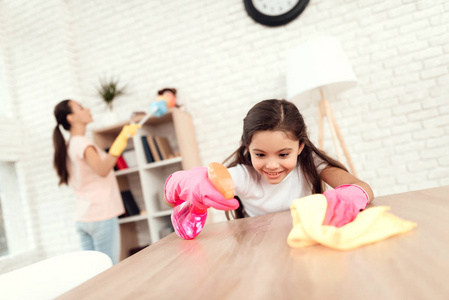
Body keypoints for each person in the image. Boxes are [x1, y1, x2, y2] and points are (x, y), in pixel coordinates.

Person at [164, 99, 374, 238]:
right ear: (248, 148)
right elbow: (172, 202)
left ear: (300, 147)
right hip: (259, 249)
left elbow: (360, 186)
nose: (272, 165)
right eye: (260, 154)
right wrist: (182, 183)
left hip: (306, 240)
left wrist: (350, 196)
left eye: (283, 154)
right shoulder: (244, 176)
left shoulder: (311, 165)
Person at [52, 99, 140, 264]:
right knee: (106, 268)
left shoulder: (69, 145)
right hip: (101, 215)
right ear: (71, 118)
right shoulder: (83, 143)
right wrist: (120, 142)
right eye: (81, 107)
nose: (88, 109)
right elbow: (102, 169)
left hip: (83, 217)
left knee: (91, 272)